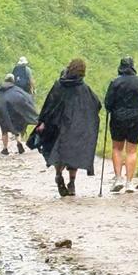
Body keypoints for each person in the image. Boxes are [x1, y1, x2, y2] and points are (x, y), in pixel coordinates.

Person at [36, 59, 101, 197]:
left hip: (57, 126)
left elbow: (48, 105)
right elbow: (96, 104)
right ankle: (72, 182)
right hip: (76, 127)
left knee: (58, 152)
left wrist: (42, 121)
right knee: (74, 153)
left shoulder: (59, 86)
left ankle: (58, 174)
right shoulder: (84, 89)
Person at [105, 57, 138, 193]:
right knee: (132, 151)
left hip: (118, 118)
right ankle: (129, 183)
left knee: (117, 149)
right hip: (136, 118)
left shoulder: (115, 82)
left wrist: (112, 109)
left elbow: (108, 103)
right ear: (132, 66)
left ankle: (118, 179)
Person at [0, 73, 38, 156]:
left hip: (2, 114)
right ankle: (19, 142)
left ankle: (5, 149)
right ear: (13, 81)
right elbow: (24, 99)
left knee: (4, 131)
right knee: (17, 129)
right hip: (13, 113)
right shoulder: (16, 90)